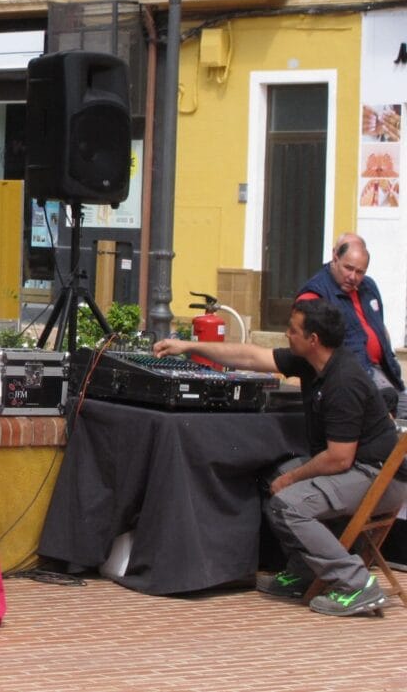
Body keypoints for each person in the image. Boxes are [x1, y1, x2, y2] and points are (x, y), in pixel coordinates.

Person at [153, 298, 407, 616]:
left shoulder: (344, 382)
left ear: (313, 339)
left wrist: (292, 479)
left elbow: (339, 459)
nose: (287, 334)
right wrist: (187, 347)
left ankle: (356, 583)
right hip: (356, 466)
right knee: (272, 477)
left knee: (288, 504)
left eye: (293, 329)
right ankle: (304, 572)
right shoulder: (312, 362)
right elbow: (250, 355)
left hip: (377, 477)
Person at [296, 233, 404, 416]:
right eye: (348, 268)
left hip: (385, 369)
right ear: (335, 258)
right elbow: (304, 342)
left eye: (360, 272)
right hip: (353, 375)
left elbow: (379, 327)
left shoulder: (369, 287)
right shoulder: (315, 293)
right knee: (386, 401)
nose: (353, 277)